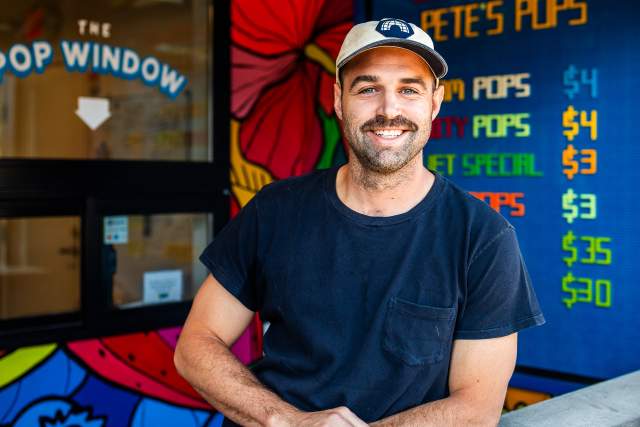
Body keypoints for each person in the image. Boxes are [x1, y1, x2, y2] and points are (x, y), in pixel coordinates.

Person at [174, 18, 545, 427]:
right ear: (338, 98)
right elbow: (195, 345)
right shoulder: (275, 210)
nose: (389, 110)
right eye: (368, 89)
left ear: (435, 103)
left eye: (409, 89)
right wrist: (288, 421)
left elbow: (476, 409)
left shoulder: (482, 237)